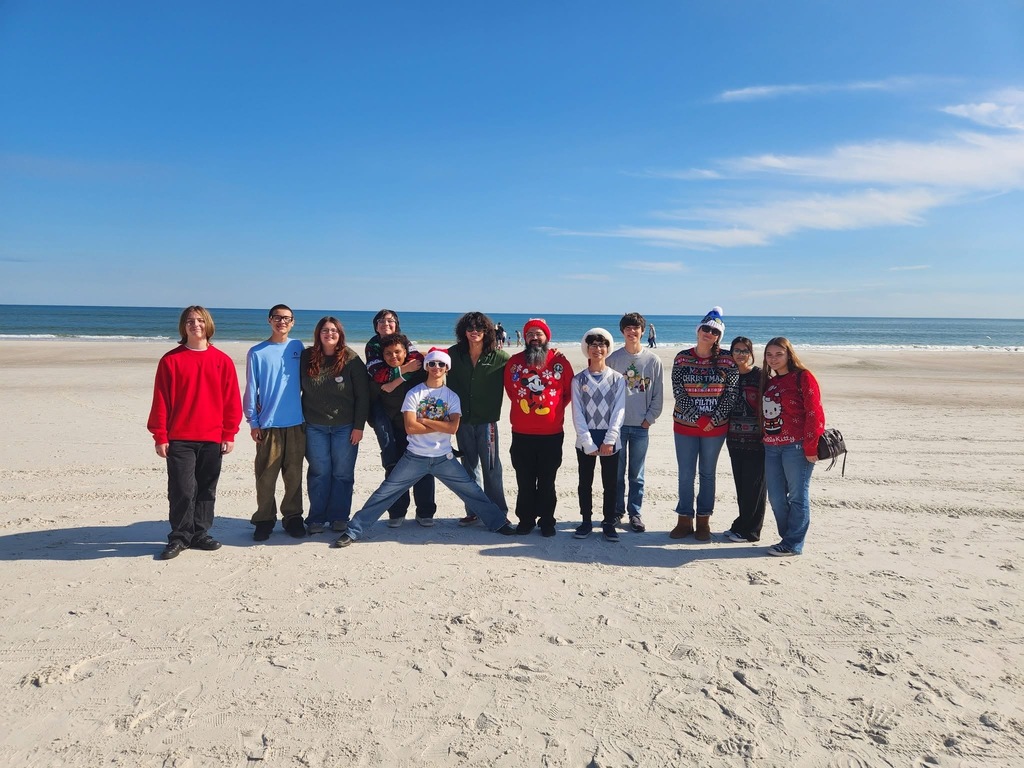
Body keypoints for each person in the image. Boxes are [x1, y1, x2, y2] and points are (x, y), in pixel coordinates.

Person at [333, 347, 517, 547]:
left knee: (472, 492)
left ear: (447, 368)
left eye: (441, 364)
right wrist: (438, 423)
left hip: (444, 458)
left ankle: (498, 523)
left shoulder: (452, 397)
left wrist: (425, 420)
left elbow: (452, 428)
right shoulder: (414, 393)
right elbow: (410, 427)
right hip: (414, 457)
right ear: (427, 367)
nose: (436, 367)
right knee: (384, 493)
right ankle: (353, 531)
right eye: (432, 363)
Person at [147, 306, 242, 560]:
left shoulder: (222, 360)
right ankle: (179, 537)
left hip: (212, 437)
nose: (195, 325)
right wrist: (160, 435)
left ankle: (200, 533)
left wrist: (229, 433)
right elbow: (161, 400)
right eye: (190, 321)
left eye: (200, 320)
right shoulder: (171, 360)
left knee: (206, 489)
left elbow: (231, 400)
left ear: (208, 325)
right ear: (183, 326)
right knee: (182, 489)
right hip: (180, 437)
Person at [670, 306, 739, 541]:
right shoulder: (682, 358)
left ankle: (703, 522)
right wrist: (698, 419)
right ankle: (684, 520)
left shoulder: (727, 360)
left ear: (719, 336)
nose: (708, 333)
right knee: (686, 474)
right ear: (698, 330)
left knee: (708, 474)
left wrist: (714, 420)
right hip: (685, 427)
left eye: (714, 331)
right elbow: (679, 392)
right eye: (705, 329)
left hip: (715, 430)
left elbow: (731, 393)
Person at [504, 318, 574, 537]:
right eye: (530, 334)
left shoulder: (559, 362)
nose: (534, 337)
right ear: (525, 339)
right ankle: (525, 520)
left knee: (547, 480)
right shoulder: (514, 362)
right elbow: (511, 390)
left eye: (539, 333)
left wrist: (552, 411)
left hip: (551, 434)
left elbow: (568, 393)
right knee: (524, 480)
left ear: (547, 337)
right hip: (521, 433)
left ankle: (547, 521)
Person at [300, 317, 369, 535]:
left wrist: (359, 427)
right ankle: (316, 519)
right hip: (314, 425)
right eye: (325, 330)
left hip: (345, 427)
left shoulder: (351, 359)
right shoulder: (306, 357)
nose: (329, 334)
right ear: (318, 334)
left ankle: (339, 517)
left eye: (334, 331)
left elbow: (363, 396)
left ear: (340, 334)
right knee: (320, 472)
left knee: (342, 473)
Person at [243, 304, 306, 541]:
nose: (282, 322)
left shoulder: (297, 347)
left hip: (297, 423)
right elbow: (251, 388)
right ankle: (264, 520)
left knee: (294, 477)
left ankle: (293, 518)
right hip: (268, 425)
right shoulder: (257, 352)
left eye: (287, 318)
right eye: (278, 318)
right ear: (270, 320)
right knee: (266, 477)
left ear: (293, 322)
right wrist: (253, 421)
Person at [760, 337, 825, 556]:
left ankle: (793, 543)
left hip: (796, 447)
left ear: (789, 354)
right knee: (776, 497)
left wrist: (811, 445)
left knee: (797, 495)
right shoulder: (770, 381)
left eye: (779, 354)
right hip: (771, 447)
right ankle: (787, 537)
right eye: (769, 355)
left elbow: (814, 412)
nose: (774, 359)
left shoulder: (803, 377)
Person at [447, 312, 510, 526]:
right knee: (469, 467)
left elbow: (523, 370)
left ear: (487, 332)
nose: (474, 332)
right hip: (462, 420)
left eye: (479, 328)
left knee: (492, 467)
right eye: (470, 328)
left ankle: (499, 512)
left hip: (487, 421)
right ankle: (474, 510)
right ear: (463, 331)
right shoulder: (454, 355)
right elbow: (431, 362)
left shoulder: (500, 358)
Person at [369, 333, 436, 527]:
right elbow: (372, 404)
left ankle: (425, 512)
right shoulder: (378, 377)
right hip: (392, 429)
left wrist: (427, 425)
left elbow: (432, 387)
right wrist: (379, 427)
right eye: (388, 353)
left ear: (406, 352)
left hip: (418, 427)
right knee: (394, 469)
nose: (393, 357)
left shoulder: (418, 371)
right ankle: (397, 512)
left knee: (424, 468)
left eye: (397, 352)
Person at [607, 312, 664, 533]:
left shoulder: (653, 360)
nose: (632, 332)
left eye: (636, 328)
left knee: (637, 474)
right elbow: (606, 393)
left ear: (642, 331)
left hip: (641, 426)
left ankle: (635, 513)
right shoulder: (613, 359)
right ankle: (616, 512)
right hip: (617, 427)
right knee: (616, 473)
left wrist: (649, 419)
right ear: (622, 332)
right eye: (628, 328)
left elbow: (658, 393)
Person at [571, 329, 626, 542]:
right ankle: (586, 521)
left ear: (607, 349)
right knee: (585, 483)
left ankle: (608, 522)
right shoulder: (578, 380)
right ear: (587, 349)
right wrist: (587, 442)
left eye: (601, 345)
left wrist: (610, 439)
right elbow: (577, 413)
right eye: (593, 345)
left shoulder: (617, 379)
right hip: (586, 441)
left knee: (610, 484)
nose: (597, 349)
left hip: (610, 441)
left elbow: (619, 410)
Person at [364, 309, 424, 485]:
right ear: (376, 326)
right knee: (386, 438)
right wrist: (405, 369)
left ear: (396, 324)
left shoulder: (403, 340)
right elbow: (378, 375)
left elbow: (418, 363)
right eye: (381, 321)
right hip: (379, 401)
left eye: (390, 320)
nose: (386, 323)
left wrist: (396, 381)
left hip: (405, 404)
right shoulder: (373, 345)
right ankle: (390, 466)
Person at [723, 336, 767, 543]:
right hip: (733, 439)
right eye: (736, 350)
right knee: (741, 485)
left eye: (744, 350)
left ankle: (751, 531)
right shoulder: (729, 376)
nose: (740, 354)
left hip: (757, 441)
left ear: (751, 354)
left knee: (755, 487)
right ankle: (741, 524)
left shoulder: (760, 376)